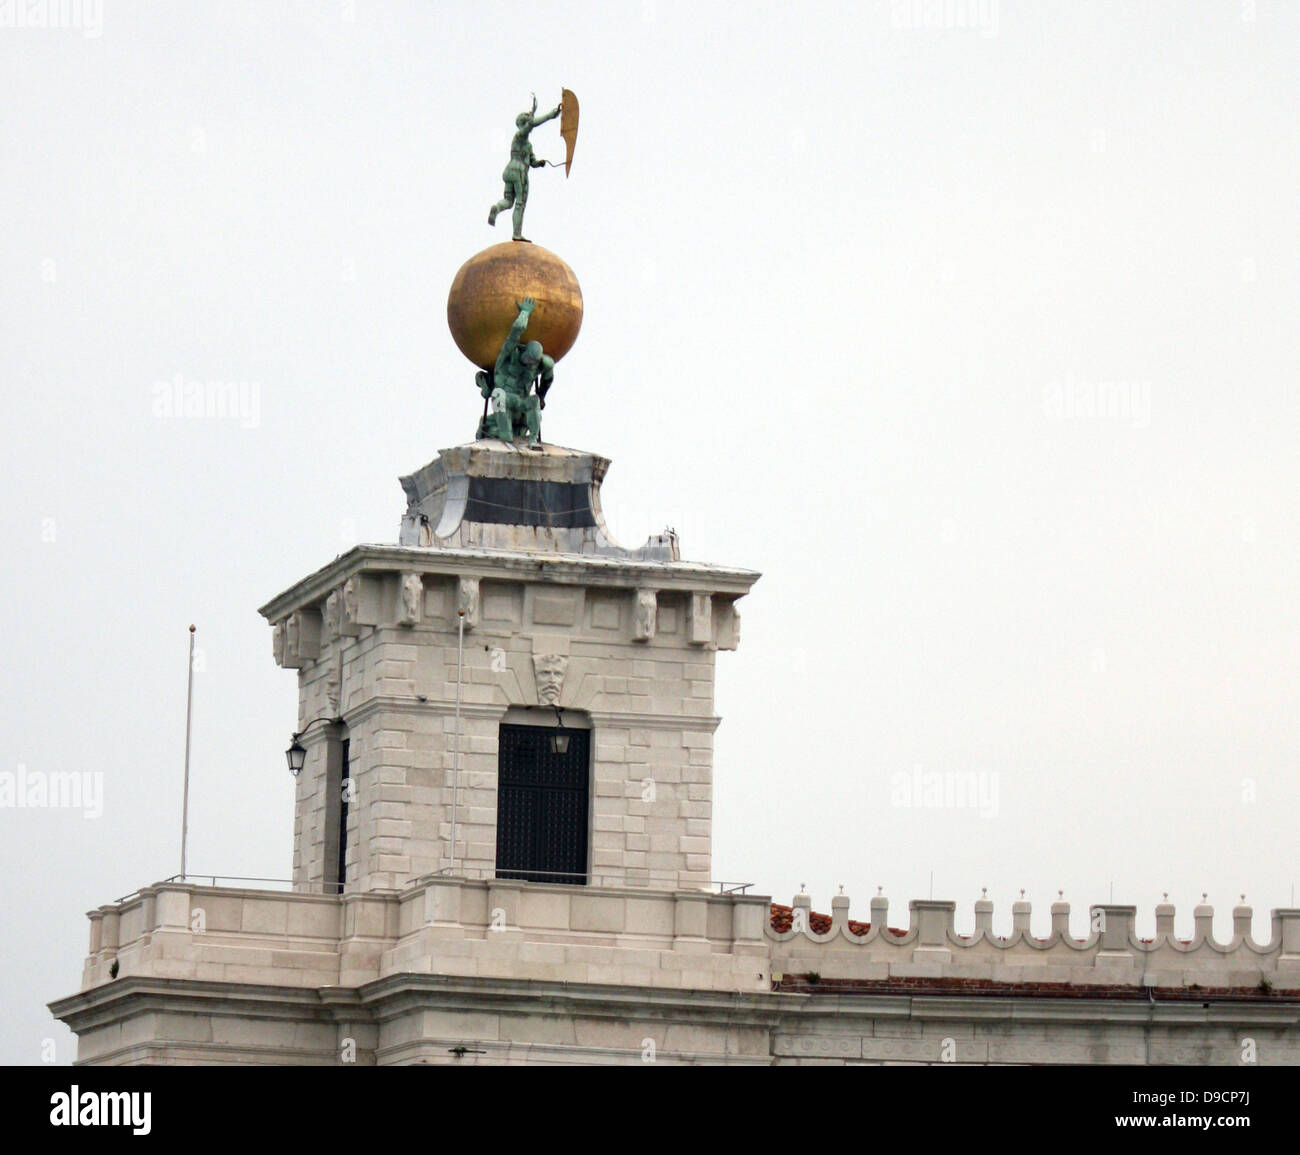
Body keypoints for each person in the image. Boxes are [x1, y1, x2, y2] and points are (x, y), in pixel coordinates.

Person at [476, 298, 554, 445]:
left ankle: (533, 440)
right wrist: (525, 313)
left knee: (534, 400)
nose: (531, 363)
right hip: (505, 399)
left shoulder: (536, 365)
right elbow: (516, 330)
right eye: (530, 359)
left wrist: (542, 395)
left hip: (521, 403)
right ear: (525, 353)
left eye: (534, 361)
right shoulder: (509, 355)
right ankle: (506, 437)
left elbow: (549, 372)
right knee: (498, 394)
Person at [488, 95, 561, 241]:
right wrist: (551, 115)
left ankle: (497, 208)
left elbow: (532, 162)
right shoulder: (519, 136)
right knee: (520, 203)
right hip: (518, 171)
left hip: (510, 170)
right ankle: (517, 233)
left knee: (508, 201)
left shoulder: (526, 144)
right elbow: (532, 124)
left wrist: (539, 163)